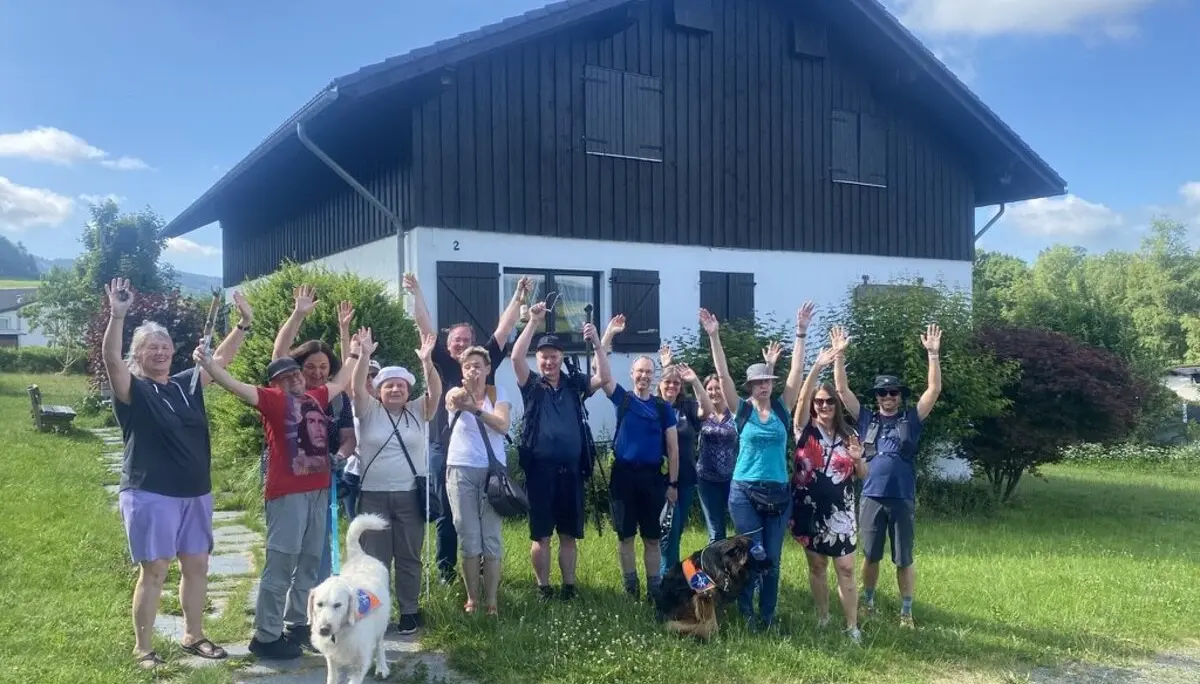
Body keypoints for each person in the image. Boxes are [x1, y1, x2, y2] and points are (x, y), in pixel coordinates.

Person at [102, 278, 252, 669]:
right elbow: (111, 362)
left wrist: (244, 324)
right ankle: (143, 647)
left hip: (196, 493)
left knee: (198, 566)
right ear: (139, 355)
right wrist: (118, 315)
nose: (161, 351)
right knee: (154, 570)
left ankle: (194, 634)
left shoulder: (187, 385)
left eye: (165, 346)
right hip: (150, 492)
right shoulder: (132, 389)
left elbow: (220, 359)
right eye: (151, 347)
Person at [194, 323, 356, 659]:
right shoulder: (271, 400)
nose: (296, 379)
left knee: (311, 561)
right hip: (287, 494)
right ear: (275, 383)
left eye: (297, 374)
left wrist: (357, 352)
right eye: (287, 376)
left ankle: (297, 623)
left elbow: (341, 381)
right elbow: (235, 386)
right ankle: (266, 636)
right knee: (282, 562)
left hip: (319, 490)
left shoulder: (316, 395)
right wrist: (210, 365)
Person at [404, 273, 529, 584]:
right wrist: (418, 291)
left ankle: (484, 570)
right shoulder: (444, 362)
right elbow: (424, 326)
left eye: (465, 340)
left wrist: (517, 298)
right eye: (456, 340)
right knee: (448, 513)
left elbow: (503, 330)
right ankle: (447, 571)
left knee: (486, 514)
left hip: (481, 453)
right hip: (442, 447)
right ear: (449, 345)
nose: (461, 345)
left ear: (475, 347)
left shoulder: (483, 361)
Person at [702, 303, 813, 631]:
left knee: (774, 562)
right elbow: (722, 375)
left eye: (768, 381)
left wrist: (801, 332)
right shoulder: (742, 410)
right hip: (744, 492)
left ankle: (768, 616)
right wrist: (714, 336)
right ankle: (747, 614)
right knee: (751, 556)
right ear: (750, 386)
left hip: (779, 492)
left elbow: (796, 372)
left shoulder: (781, 408)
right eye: (759, 382)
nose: (765, 385)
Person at [832, 323, 941, 628]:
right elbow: (842, 391)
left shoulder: (911, 418)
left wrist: (933, 355)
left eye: (892, 392)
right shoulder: (867, 418)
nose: (887, 396)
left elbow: (933, 391)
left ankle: (906, 610)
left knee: (904, 558)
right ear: (877, 396)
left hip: (902, 497)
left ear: (899, 395)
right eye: (882, 392)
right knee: (870, 555)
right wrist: (839, 356)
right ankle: (867, 602)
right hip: (871, 496)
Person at [510, 302, 609, 601]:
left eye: (554, 357)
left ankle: (569, 587)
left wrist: (597, 344)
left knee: (568, 534)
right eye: (544, 358)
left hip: (571, 470)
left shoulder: (573, 383)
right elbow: (515, 356)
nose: (549, 363)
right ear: (537, 360)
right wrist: (532, 322)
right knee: (541, 534)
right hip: (540, 471)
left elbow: (603, 378)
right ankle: (543, 587)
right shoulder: (531, 385)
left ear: (561, 357)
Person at [349, 327, 441, 635]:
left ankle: (409, 612)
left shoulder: (418, 410)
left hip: (409, 496)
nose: (395, 390)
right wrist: (363, 356)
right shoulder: (368, 409)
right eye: (389, 385)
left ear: (408, 389)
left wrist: (427, 363)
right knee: (374, 561)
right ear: (379, 389)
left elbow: (436, 392)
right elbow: (356, 389)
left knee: (408, 557)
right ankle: (374, 614)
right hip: (372, 496)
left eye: (401, 385)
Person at [271, 288, 358, 590]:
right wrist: (298, 314)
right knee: (287, 546)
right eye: (310, 367)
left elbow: (349, 438)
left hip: (323, 477)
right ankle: (283, 607)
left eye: (323, 367)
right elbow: (279, 353)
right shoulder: (285, 393)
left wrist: (341, 457)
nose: (318, 373)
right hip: (287, 480)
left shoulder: (335, 399)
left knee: (320, 546)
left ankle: (313, 604)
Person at [790, 344, 868, 643]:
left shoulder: (851, 436)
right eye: (819, 403)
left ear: (837, 406)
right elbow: (802, 397)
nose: (823, 406)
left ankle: (852, 626)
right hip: (809, 511)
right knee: (817, 565)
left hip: (842, 513)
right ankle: (823, 617)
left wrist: (859, 458)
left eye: (828, 402)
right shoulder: (804, 431)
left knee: (846, 569)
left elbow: (863, 475)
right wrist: (817, 367)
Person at [600, 350, 679, 602]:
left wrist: (673, 484)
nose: (644, 376)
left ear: (653, 376)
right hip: (622, 477)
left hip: (652, 479)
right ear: (632, 374)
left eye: (648, 372)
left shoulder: (662, 407)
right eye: (640, 371)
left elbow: (673, 448)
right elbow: (601, 374)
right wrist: (604, 339)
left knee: (652, 538)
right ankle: (630, 587)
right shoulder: (623, 399)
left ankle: (654, 589)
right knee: (625, 536)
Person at [445, 346, 513, 616]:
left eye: (478, 365)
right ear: (462, 371)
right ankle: (472, 599)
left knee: (491, 538)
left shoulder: (498, 394)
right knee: (468, 536)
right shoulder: (455, 392)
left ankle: (492, 602)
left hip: (492, 473)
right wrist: (464, 397)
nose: (473, 370)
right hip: (460, 470)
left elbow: (503, 425)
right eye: (468, 366)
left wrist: (476, 409)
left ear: (488, 369)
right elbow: (453, 400)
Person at [654, 347, 717, 578]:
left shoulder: (687, 407)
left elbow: (708, 410)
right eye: (667, 383)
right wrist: (666, 367)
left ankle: (669, 578)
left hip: (686, 478)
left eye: (676, 384)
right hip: (659, 479)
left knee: (675, 531)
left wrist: (695, 382)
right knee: (667, 532)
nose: (672, 387)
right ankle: (665, 581)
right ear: (660, 384)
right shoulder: (654, 406)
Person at [695, 372, 737, 542]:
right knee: (716, 532)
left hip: (734, 479)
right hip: (707, 480)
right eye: (709, 389)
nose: (713, 392)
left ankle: (739, 566)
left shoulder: (735, 413)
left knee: (741, 526)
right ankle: (715, 568)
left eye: (717, 388)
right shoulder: (702, 413)